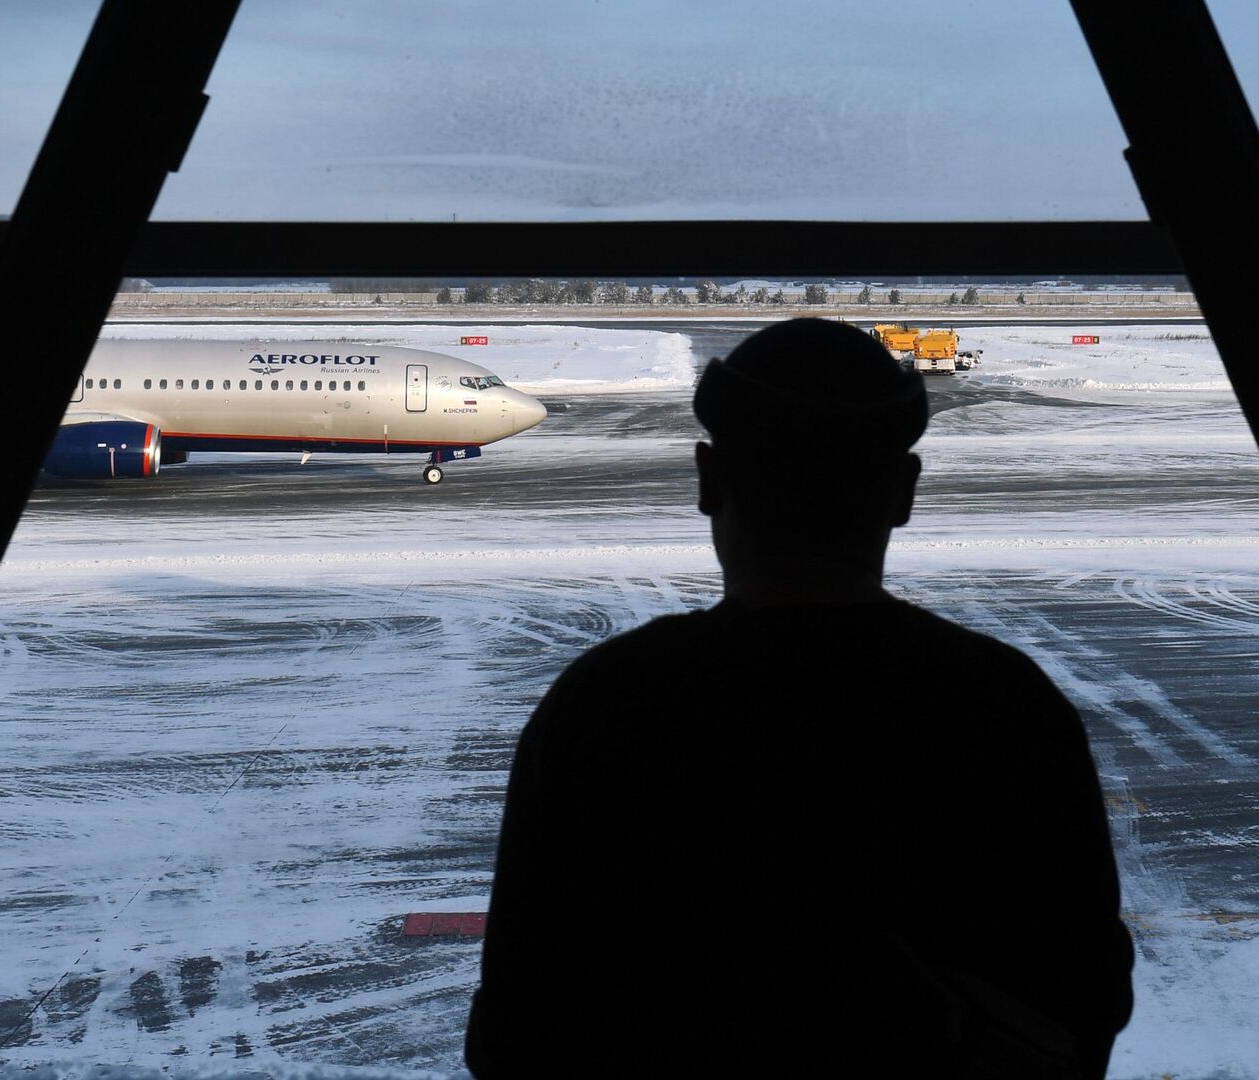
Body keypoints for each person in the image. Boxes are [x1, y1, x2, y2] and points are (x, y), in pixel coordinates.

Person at [465, 319, 1133, 1077]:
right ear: (903, 493)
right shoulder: (1009, 710)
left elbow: (516, 1027)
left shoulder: (603, 708)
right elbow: (1084, 1002)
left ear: (708, 482)